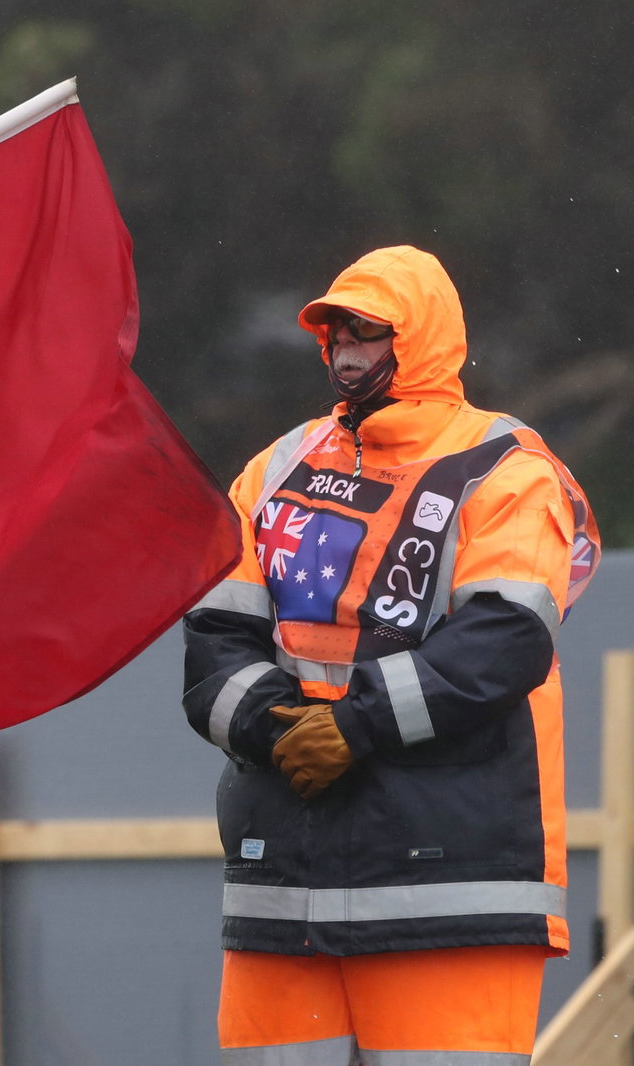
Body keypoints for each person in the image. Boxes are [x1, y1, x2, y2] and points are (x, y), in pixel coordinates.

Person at [181, 245, 600, 1063]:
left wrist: (353, 727)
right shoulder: (275, 469)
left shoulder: (505, 470)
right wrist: (277, 729)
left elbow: (504, 639)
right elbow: (213, 640)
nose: (346, 351)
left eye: (369, 331)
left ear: (421, 341)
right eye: (335, 331)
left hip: (450, 889)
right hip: (286, 888)